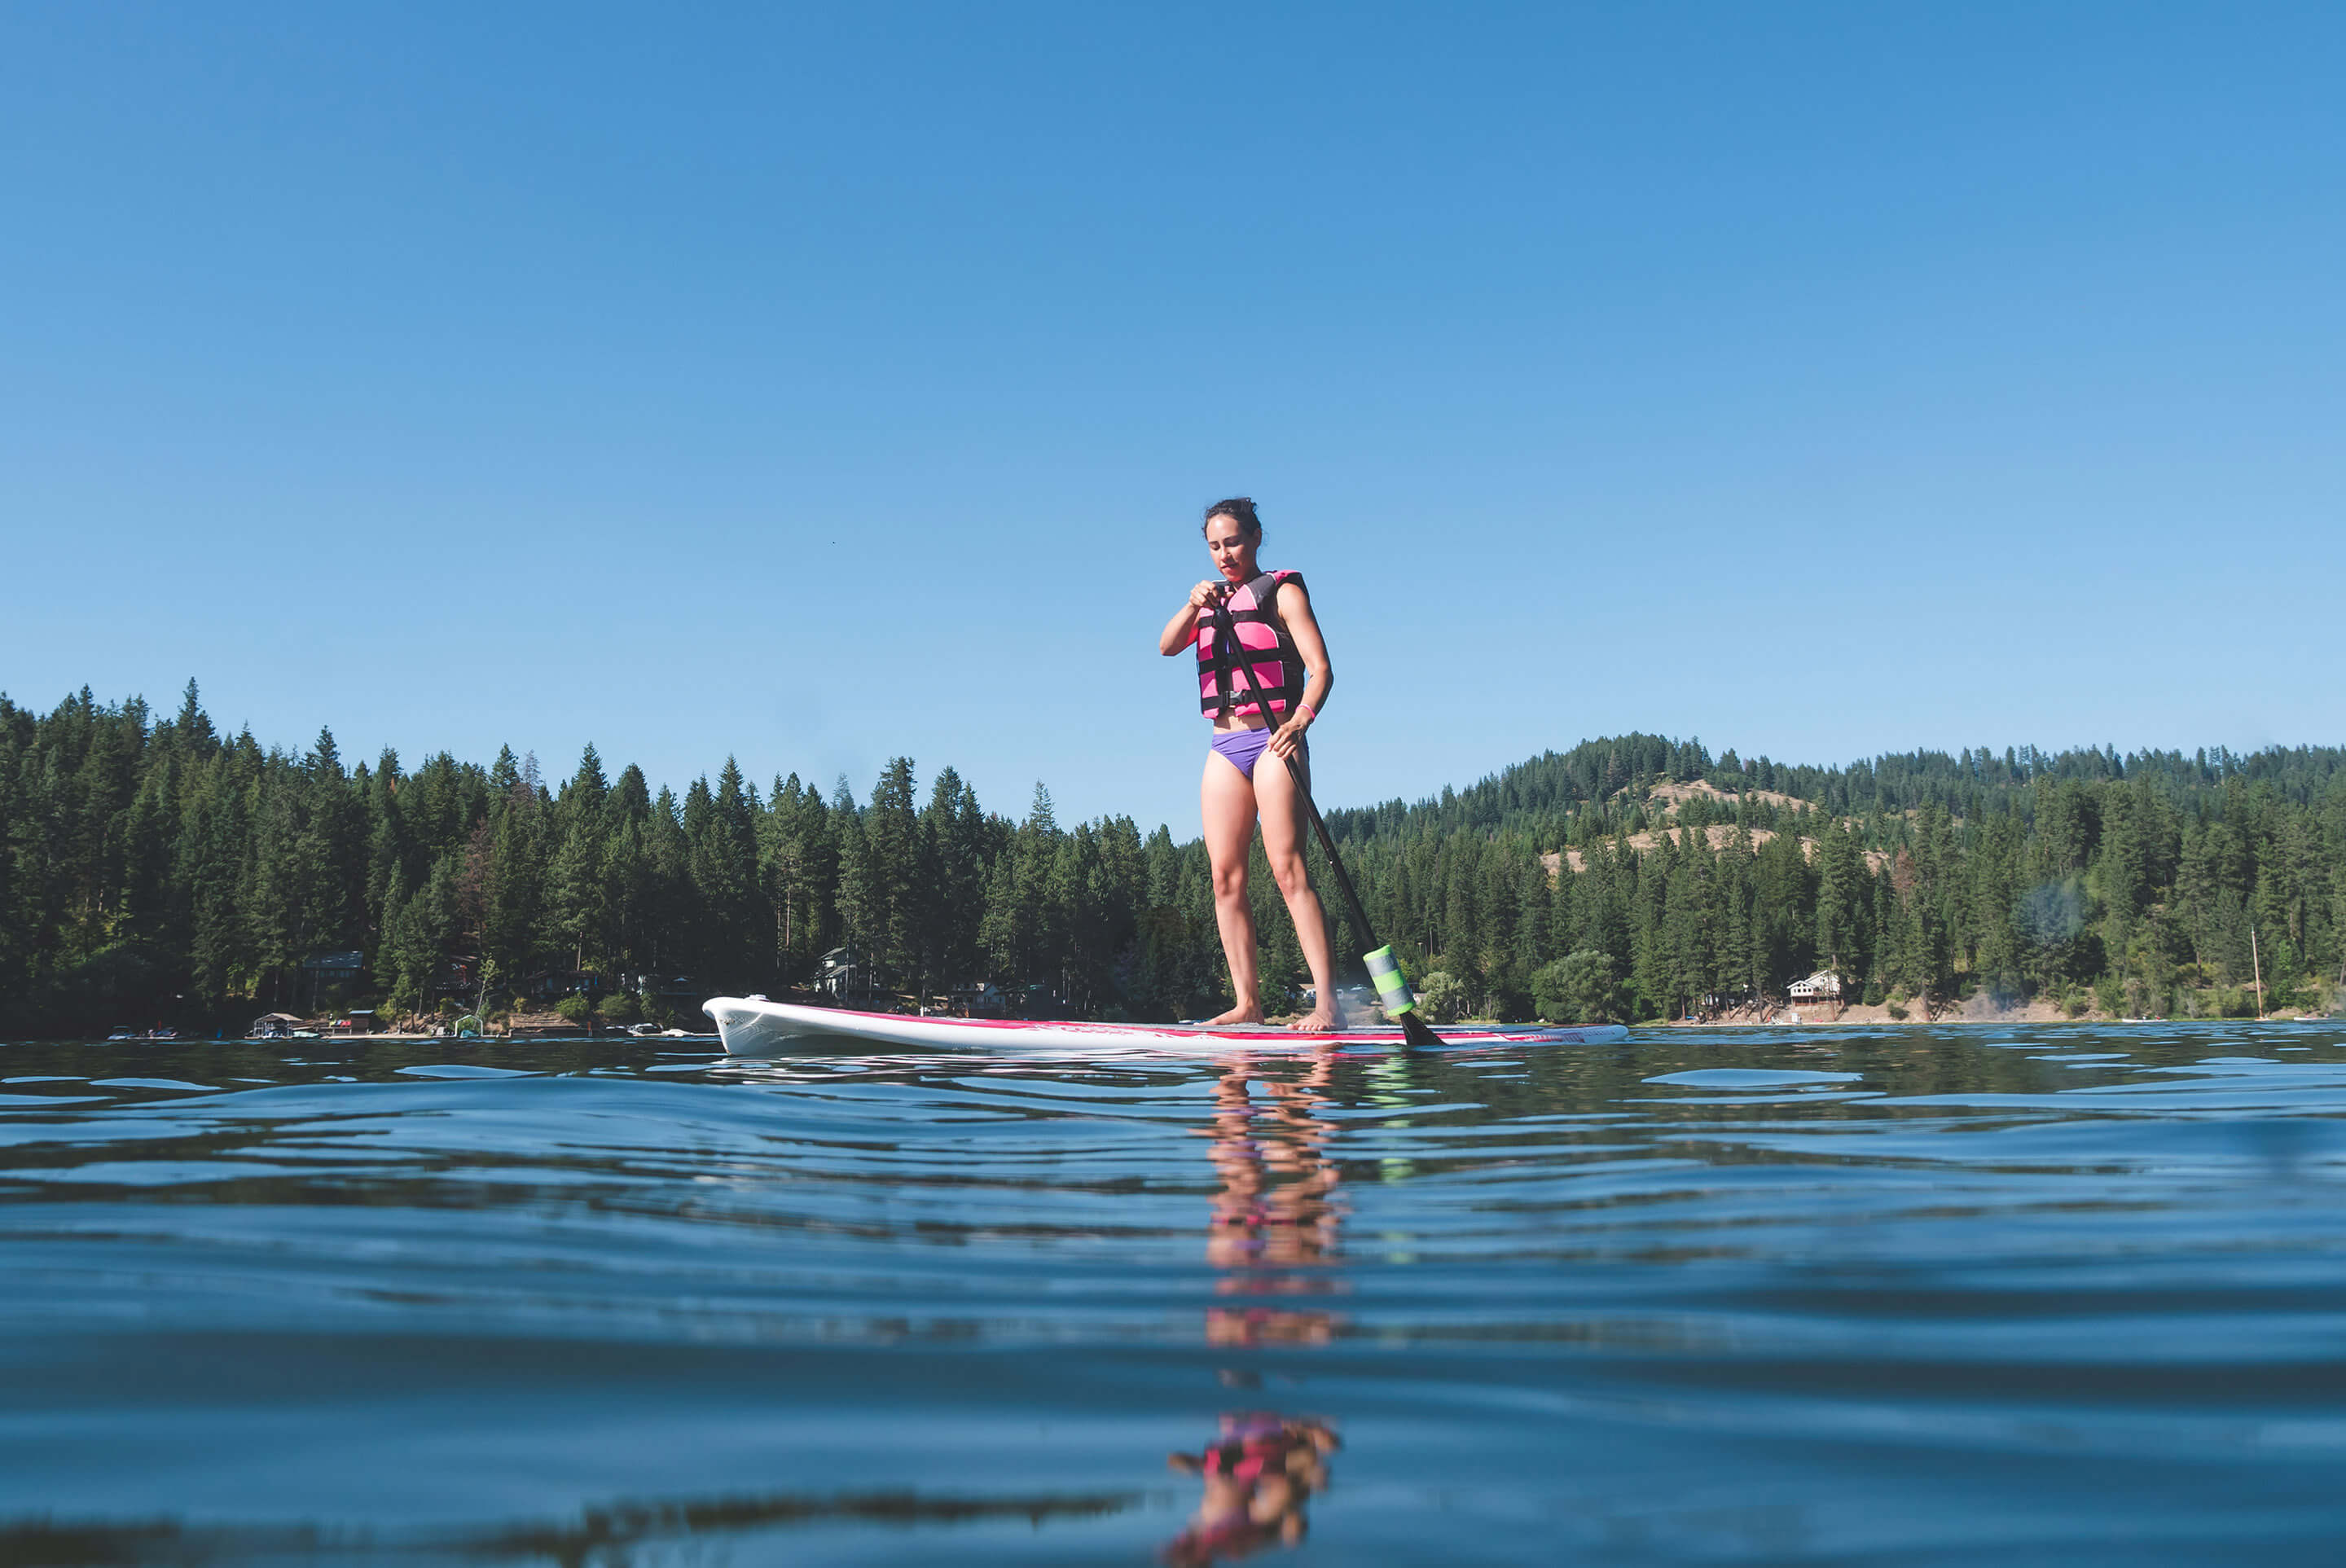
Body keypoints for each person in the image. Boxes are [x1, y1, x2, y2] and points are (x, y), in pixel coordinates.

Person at [1158, 498, 1340, 1031]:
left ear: (1257, 537)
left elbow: (1321, 669)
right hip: (1223, 746)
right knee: (1224, 879)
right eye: (1214, 545)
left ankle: (1326, 1003)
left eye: (1233, 541)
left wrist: (1302, 719)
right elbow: (1167, 646)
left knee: (1287, 870)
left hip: (1274, 742)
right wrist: (1192, 606)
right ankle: (1248, 1002)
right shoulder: (1208, 603)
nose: (1224, 554)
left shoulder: (1283, 591)